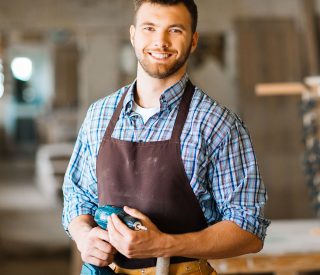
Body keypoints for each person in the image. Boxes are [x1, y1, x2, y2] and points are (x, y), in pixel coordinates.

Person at [62, 0, 270, 274]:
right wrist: (83, 236)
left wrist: (165, 245)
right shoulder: (99, 114)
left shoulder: (218, 124)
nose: (160, 42)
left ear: (193, 41)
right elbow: (78, 195)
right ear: (134, 34)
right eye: (149, 28)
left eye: (175, 30)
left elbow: (249, 228)